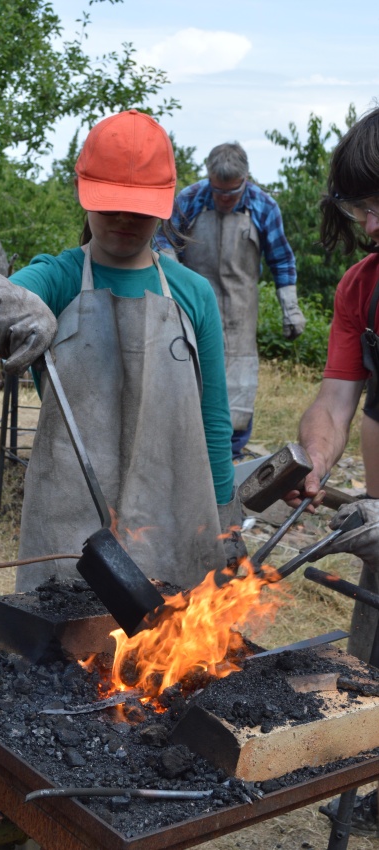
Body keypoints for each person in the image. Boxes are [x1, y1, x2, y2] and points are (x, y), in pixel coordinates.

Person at [0, 109, 244, 591]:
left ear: (162, 207)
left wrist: (226, 519)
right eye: (110, 204)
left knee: (167, 653)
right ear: (84, 196)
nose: (122, 219)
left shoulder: (192, 293)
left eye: (137, 208)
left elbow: (215, 419)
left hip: (171, 514)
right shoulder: (56, 279)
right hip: (68, 524)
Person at [285, 106, 379, 835]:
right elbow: (335, 397)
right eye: (358, 207)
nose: (370, 226)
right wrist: (313, 460)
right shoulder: (361, 286)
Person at [154, 142, 306, 459]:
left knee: (238, 386)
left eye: (232, 194)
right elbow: (162, 242)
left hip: (240, 311)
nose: (224, 199)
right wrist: (171, 282)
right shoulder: (190, 199)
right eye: (218, 191)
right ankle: (186, 453)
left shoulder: (264, 206)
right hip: (191, 308)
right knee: (188, 378)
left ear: (245, 180)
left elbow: (281, 260)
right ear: (209, 179)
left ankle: (230, 458)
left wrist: (290, 309)